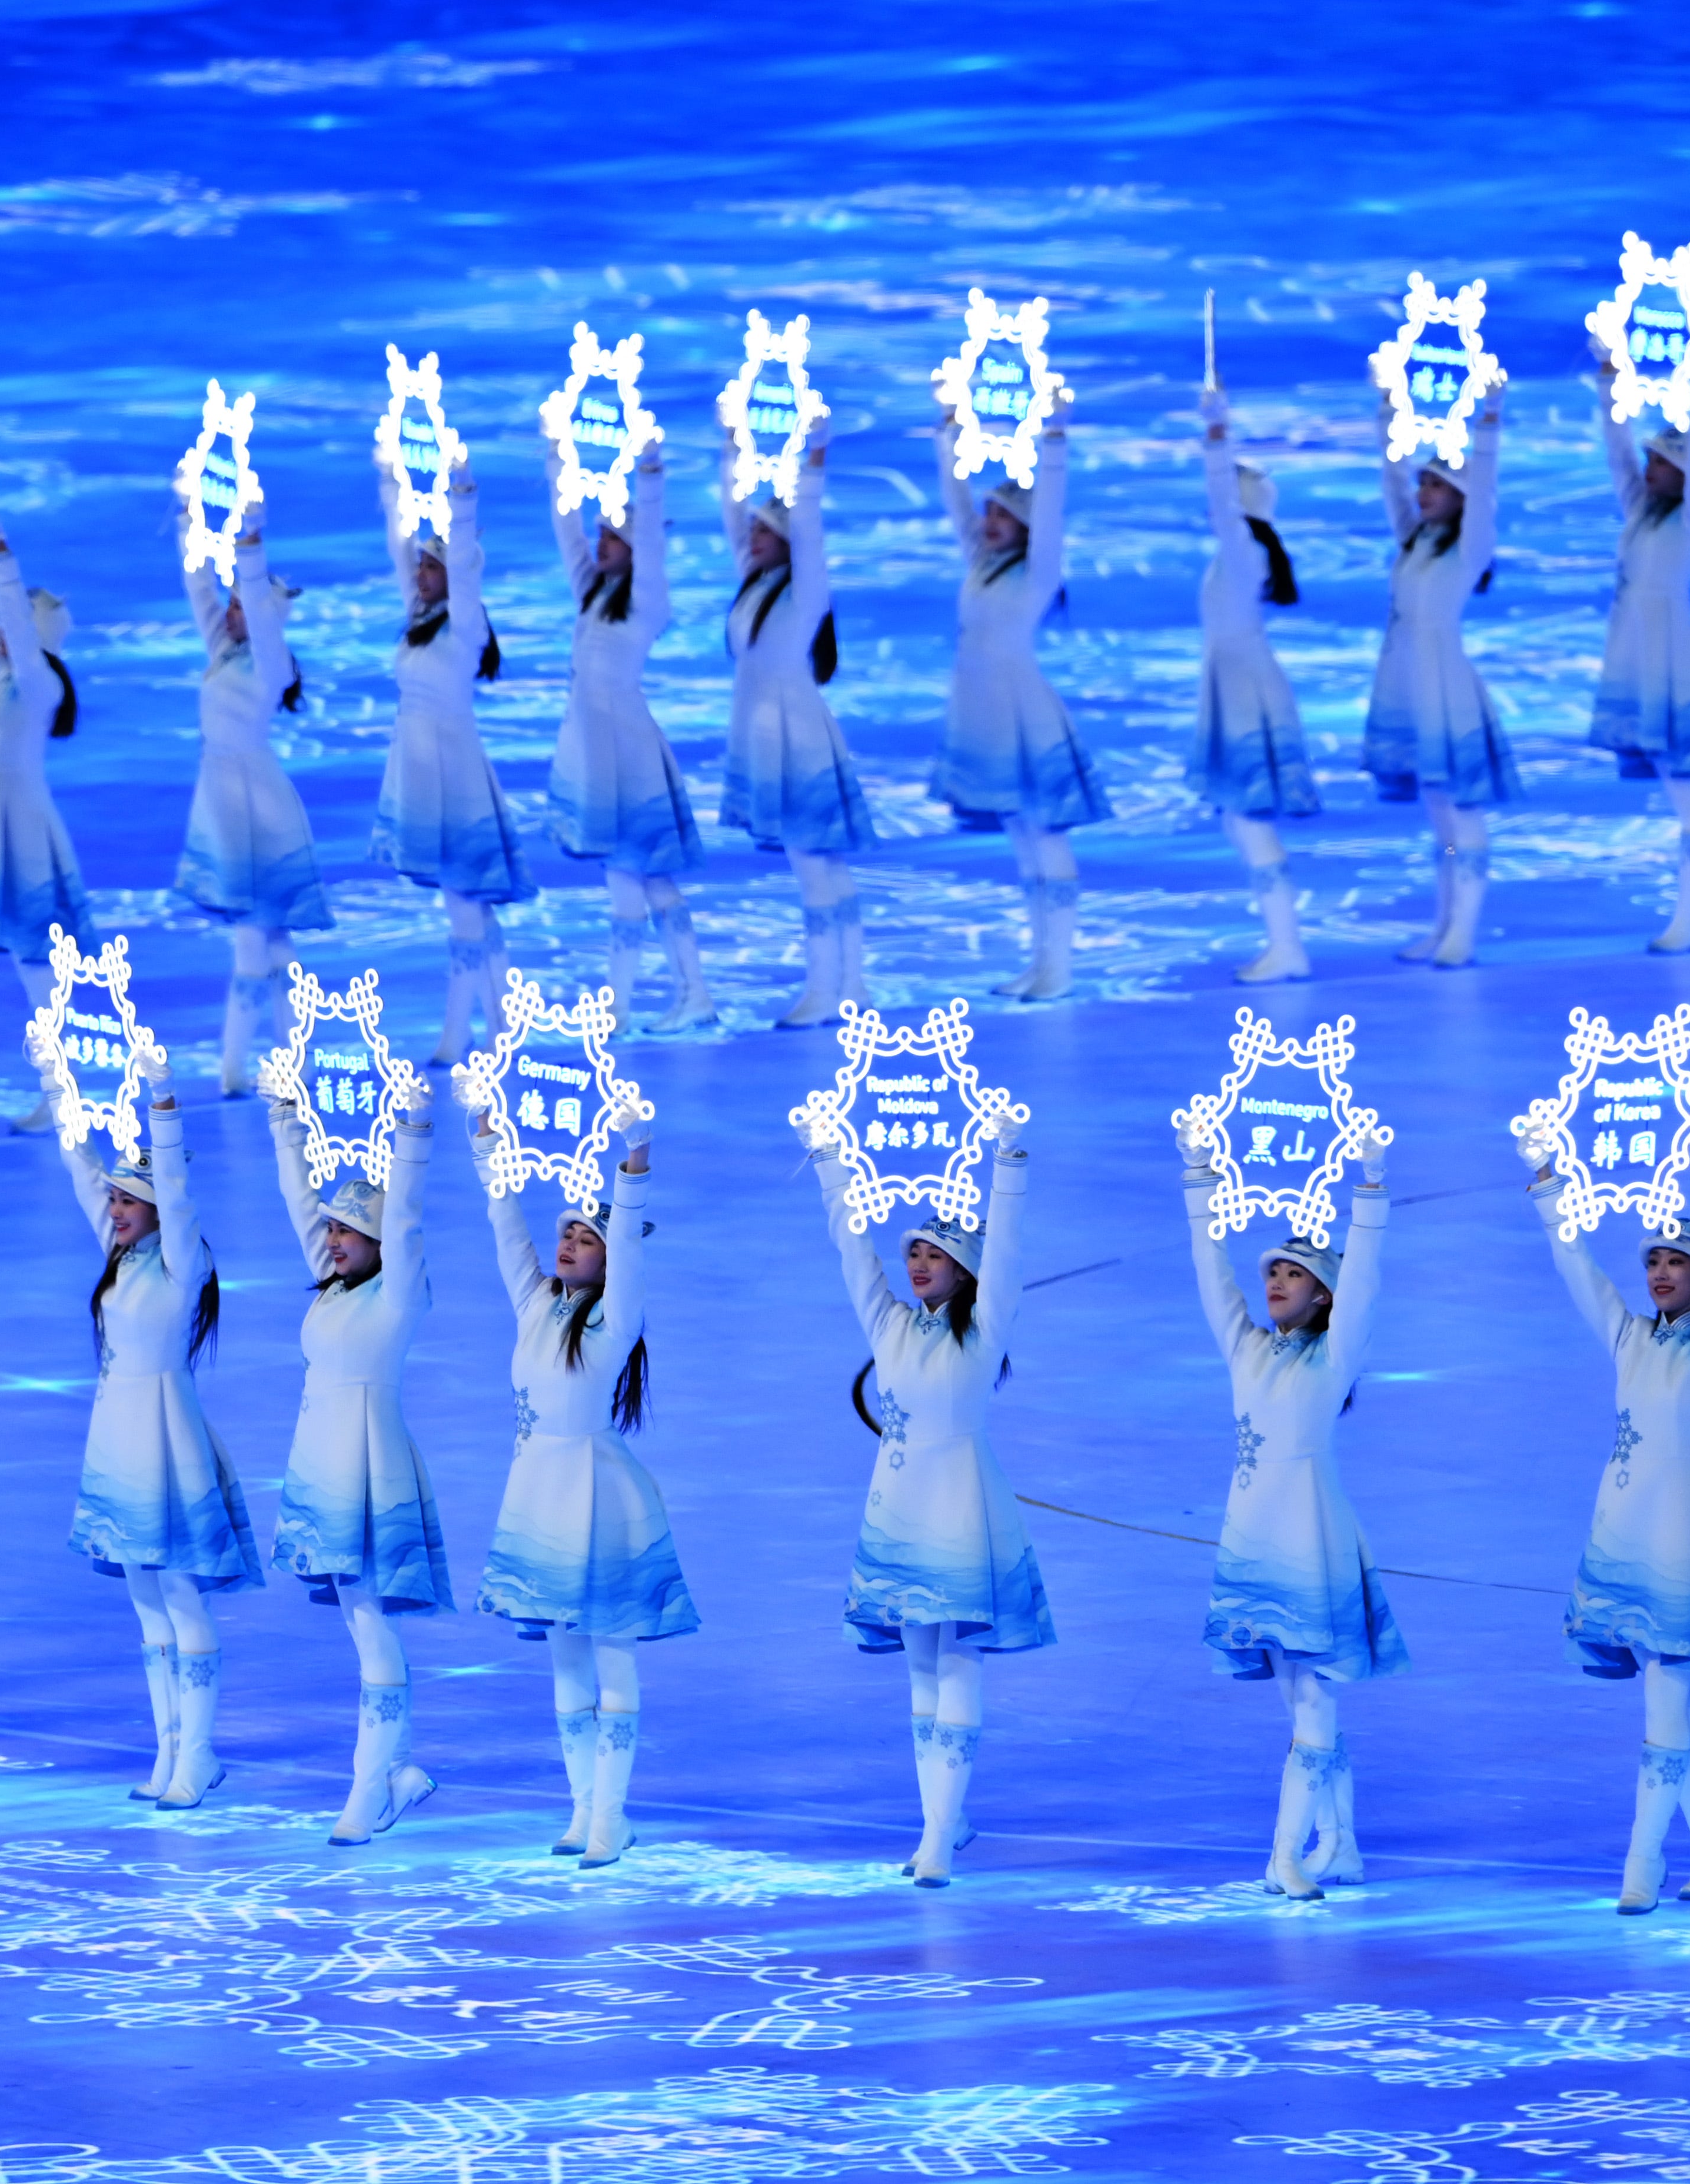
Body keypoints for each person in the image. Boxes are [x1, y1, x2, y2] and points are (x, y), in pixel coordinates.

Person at [1523, 1121, 1690, 1913]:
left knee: (1666, 1698)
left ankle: (1642, 1866)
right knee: (1671, 1698)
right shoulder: (1630, 1339)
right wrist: (1550, 1187)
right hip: (1624, 1539)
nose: (1661, 1273)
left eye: (1677, 1262)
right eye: (1654, 1261)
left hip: (1685, 1544)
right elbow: (1577, 1271)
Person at [804, 1117, 1046, 1887]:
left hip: (961, 1509)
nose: (916, 1262)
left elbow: (1007, 1255)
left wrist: (1006, 1163)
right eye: (912, 1249)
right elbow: (850, 1254)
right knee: (919, 1668)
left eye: (934, 1253)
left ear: (965, 1271)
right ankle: (939, 1818)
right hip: (898, 1511)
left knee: (958, 1661)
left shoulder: (980, 1337)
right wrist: (831, 1164)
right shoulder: (889, 1327)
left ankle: (941, 1831)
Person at [1180, 1126, 1402, 1898]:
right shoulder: (1246, 1349)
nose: (1276, 1279)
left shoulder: (1333, 1357)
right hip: (1252, 1544)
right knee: (1305, 1700)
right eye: (1272, 1269)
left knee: (1311, 1698)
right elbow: (1212, 1274)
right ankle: (1340, 1844)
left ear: (1324, 1296)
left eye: (1295, 1272)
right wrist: (1200, 1176)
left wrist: (1369, 1187)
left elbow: (1367, 1282)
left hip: (1309, 1542)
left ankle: (1285, 1854)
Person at [469, 1108, 689, 1866]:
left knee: (612, 1654)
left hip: (602, 1503)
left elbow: (629, 1254)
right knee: (565, 1656)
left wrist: (634, 1163)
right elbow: (506, 1231)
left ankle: (614, 1814)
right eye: (566, 1233)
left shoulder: (614, 1323)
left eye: (585, 1239)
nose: (567, 1244)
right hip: (537, 1501)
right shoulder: (536, 1308)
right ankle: (583, 1808)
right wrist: (487, 1143)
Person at [52, 1090, 257, 1806]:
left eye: (126, 1201)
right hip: (117, 1440)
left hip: (168, 1439)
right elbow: (84, 1179)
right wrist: (60, 1090)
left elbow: (173, 1186)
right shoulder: (123, 1256)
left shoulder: (181, 1261)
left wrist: (165, 1113)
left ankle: (197, 1755)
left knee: (180, 1593)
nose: (114, 1210)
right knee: (145, 1600)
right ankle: (168, 1750)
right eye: (113, 1200)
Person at [265, 1090, 448, 1845]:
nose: (334, 1239)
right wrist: (284, 1122)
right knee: (357, 1618)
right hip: (324, 1470)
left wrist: (411, 1134)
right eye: (333, 1229)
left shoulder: (397, 1297)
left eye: (350, 1231)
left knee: (371, 1622)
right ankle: (397, 1773)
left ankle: (370, 1786)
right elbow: (298, 1200)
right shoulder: (337, 1287)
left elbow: (402, 1219)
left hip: (371, 1470)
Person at [932, 400, 1099, 999]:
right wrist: (948, 432)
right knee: (1022, 841)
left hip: (1024, 713)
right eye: (989, 512)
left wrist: (1054, 439)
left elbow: (1051, 510)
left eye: (1004, 515)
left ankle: (1060, 966)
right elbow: (955, 501)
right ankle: (1040, 959)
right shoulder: (981, 565)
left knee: (1046, 836)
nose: (990, 521)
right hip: (984, 715)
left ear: (1028, 527)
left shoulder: (1038, 573)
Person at [544, 441, 708, 1030]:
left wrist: (651, 478)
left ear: (636, 548)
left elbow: (655, 552)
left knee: (628, 879)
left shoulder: (646, 603)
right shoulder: (593, 595)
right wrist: (557, 459)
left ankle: (619, 1008)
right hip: (596, 748)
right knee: (645, 878)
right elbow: (567, 532)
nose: (599, 544)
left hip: (628, 751)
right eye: (602, 534)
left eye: (612, 536)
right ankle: (691, 995)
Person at [716, 406, 870, 1024]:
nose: (751, 537)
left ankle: (833, 987)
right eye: (751, 530)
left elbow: (806, 525)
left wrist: (814, 459)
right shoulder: (752, 587)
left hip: (799, 741)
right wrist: (731, 447)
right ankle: (847, 985)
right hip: (767, 737)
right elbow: (733, 516)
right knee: (817, 863)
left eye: (763, 531)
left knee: (815, 864)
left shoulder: (805, 593)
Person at [174, 491, 332, 1096]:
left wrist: (250, 542)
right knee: (272, 939)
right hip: (224, 798)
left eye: (241, 605)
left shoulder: (271, 664)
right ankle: (288, 1059)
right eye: (233, 605)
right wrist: (191, 518)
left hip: (256, 807)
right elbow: (198, 589)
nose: (230, 612)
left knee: (254, 935)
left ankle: (235, 1068)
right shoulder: (225, 652)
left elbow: (261, 618)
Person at [374, 455, 531, 1064]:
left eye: (431, 567)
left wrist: (462, 502)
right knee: (466, 906)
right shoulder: (419, 622)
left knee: (468, 905)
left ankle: (473, 1032)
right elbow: (400, 553)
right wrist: (392, 486)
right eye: (421, 566)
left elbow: (464, 572)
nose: (420, 575)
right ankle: (486, 1028)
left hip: (456, 775)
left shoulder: (463, 627)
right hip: (420, 771)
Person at [1586, 358, 1690, 953]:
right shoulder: (1642, 517)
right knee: (1680, 787)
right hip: (1639, 654)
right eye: (1649, 461)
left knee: (1686, 788)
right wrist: (1608, 382)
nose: (1647, 470)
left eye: (1660, 463)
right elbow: (1617, 452)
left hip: (1670, 658)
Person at [1363, 382, 1513, 968]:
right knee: (1439, 817)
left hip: (1448, 687)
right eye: (1423, 482)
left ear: (1461, 497)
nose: (1422, 492)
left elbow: (1487, 488)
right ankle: (1443, 920)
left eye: (1435, 484)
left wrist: (1490, 424)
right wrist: (1387, 416)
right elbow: (1389, 481)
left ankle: (1464, 932)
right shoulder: (1415, 543)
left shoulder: (1468, 549)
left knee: (1461, 811)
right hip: (1408, 686)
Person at [0, 500, 95, 1074]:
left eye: (15, 624)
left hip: (22, 823)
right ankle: (56, 1079)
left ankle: (59, 1082)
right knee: (25, 954)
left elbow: (7, 613)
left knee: (36, 955)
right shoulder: (11, 678)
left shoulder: (39, 685)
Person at [1192, 385, 1318, 983]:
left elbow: (1220, 500)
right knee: (1237, 818)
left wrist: (1217, 434)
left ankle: (1287, 945)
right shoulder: (1243, 553)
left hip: (1244, 690)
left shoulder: (1243, 550)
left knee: (1248, 819)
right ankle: (1282, 941)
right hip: (1235, 682)